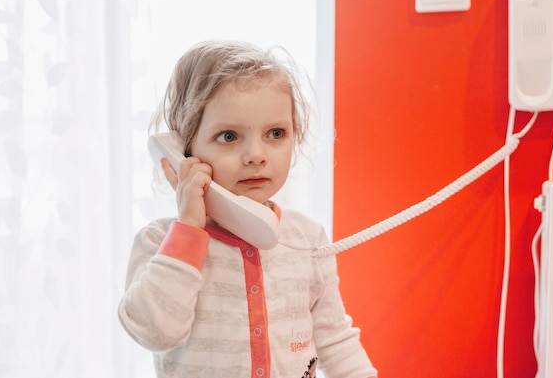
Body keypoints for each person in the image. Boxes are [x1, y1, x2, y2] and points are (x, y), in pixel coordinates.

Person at [118, 40, 377, 378]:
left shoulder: (306, 238)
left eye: (276, 133)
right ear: (184, 150)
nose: (256, 154)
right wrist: (189, 231)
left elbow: (335, 340)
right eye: (228, 136)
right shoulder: (161, 243)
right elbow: (155, 332)